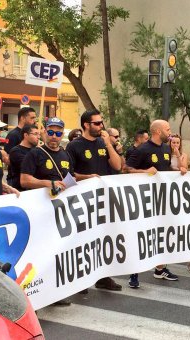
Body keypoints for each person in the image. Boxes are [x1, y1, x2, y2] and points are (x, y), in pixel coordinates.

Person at [124, 120, 186, 287]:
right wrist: (144, 172)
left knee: (162, 235)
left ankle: (160, 269)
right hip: (145, 202)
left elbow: (164, 170)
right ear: (158, 131)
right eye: (168, 129)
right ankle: (134, 273)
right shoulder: (143, 149)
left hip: (162, 200)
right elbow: (126, 169)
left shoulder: (166, 149)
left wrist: (178, 170)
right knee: (142, 236)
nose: (170, 132)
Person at [66, 109, 122, 291]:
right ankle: (80, 279)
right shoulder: (74, 146)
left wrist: (108, 143)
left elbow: (117, 165)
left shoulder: (102, 142)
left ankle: (103, 276)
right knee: (83, 239)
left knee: (103, 236)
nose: (101, 126)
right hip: (82, 200)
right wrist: (87, 177)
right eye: (97, 123)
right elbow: (69, 174)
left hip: (103, 199)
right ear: (86, 125)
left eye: (101, 122)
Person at [21, 118, 72, 192]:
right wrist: (48, 183)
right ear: (45, 132)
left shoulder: (66, 154)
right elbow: (24, 181)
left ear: (62, 135)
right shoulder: (34, 153)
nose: (54, 136)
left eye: (58, 133)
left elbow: (72, 176)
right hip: (41, 200)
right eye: (50, 132)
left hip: (61, 200)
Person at [8, 124, 40, 191]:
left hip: (34, 189)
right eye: (35, 134)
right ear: (26, 135)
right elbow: (30, 167)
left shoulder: (36, 150)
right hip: (19, 190)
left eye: (39, 134)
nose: (38, 137)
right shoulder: (16, 151)